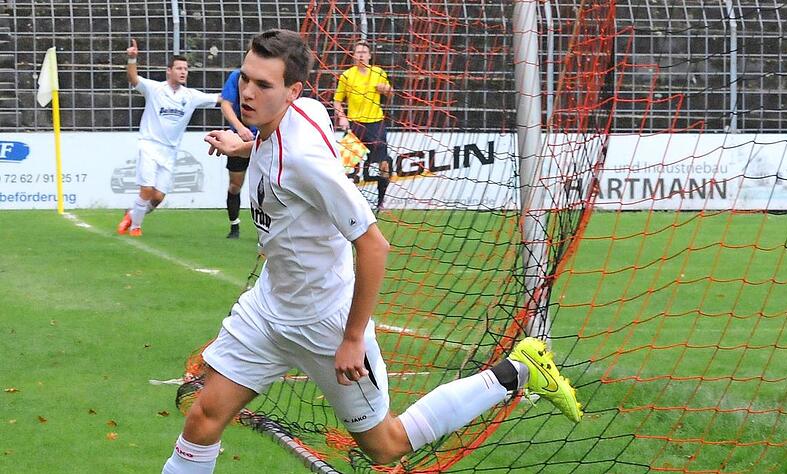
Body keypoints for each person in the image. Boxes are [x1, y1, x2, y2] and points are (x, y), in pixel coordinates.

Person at [161, 29, 582, 474]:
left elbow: (373, 245)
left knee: (386, 446)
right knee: (203, 417)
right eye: (245, 78)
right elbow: (278, 137)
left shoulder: (304, 163)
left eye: (264, 85)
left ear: (292, 92)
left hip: (326, 323)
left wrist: (352, 338)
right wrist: (243, 145)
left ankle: (517, 371)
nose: (247, 91)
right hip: (268, 311)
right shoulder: (306, 110)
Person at [117, 39, 222, 237]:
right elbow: (133, 79)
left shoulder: (191, 96)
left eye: (186, 69)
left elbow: (219, 98)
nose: (183, 72)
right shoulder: (155, 89)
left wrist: (243, 87)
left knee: (157, 197)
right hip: (149, 145)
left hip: (170, 151)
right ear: (169, 71)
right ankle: (135, 228)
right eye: (179, 68)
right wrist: (132, 58)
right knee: (146, 190)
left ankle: (132, 214)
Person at [333, 40, 393, 212]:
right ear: (353, 55)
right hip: (355, 124)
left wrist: (385, 90)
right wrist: (342, 118)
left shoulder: (378, 72)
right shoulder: (347, 75)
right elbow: (337, 101)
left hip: (376, 123)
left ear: (369, 56)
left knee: (384, 164)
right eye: (357, 52)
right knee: (342, 166)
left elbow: (390, 93)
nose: (360, 55)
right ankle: (341, 203)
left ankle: (381, 202)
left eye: (363, 52)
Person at [219, 68, 257, 239]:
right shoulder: (236, 77)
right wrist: (240, 128)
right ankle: (234, 226)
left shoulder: (271, 78)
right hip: (239, 140)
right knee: (235, 185)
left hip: (264, 138)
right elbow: (225, 104)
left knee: (268, 186)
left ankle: (268, 230)